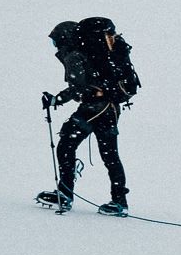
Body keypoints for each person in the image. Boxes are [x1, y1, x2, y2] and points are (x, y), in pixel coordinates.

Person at [37, 17, 140, 215]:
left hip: (95, 107)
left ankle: (65, 193)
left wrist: (55, 100)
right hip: (110, 107)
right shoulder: (90, 53)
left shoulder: (74, 54)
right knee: (110, 154)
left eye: (55, 41)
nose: (55, 46)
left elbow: (79, 87)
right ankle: (120, 201)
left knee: (67, 143)